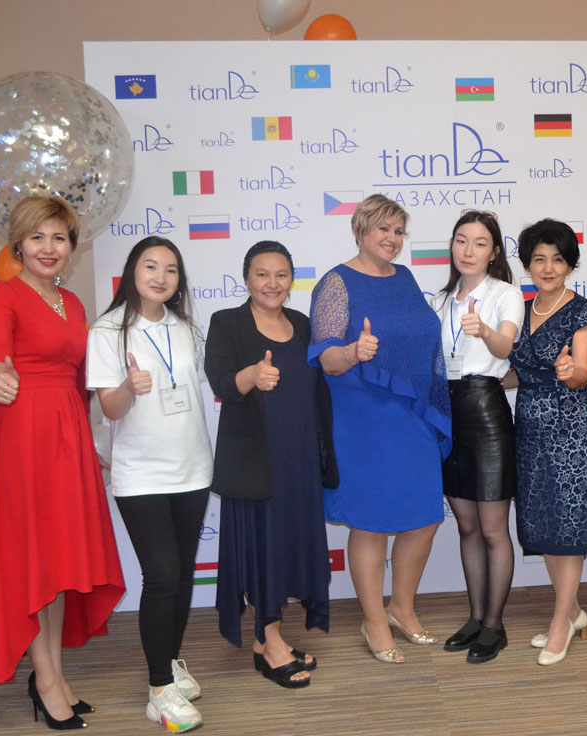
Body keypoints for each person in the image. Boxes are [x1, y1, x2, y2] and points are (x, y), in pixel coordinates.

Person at [0, 195, 125, 729]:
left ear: (71, 247)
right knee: (35, 561)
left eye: (59, 238)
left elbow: (82, 382)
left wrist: (90, 444)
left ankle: (54, 674)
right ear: (18, 243)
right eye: (37, 237)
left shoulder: (74, 305)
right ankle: (44, 680)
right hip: (23, 438)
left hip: (68, 437)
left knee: (59, 564)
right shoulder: (2, 294)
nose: (48, 247)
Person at [308, 194, 451, 664]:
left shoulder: (405, 277)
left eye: (398, 231)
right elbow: (328, 359)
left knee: (425, 516)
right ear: (360, 230)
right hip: (363, 419)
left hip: (412, 414)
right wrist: (354, 351)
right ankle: (373, 621)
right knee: (369, 524)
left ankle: (401, 608)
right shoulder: (336, 282)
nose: (392, 238)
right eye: (382, 229)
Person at [87, 237, 212, 730]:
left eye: (171, 270)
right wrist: (127, 388)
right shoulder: (108, 331)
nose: (161, 277)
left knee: (181, 573)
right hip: (140, 473)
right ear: (132, 272)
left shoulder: (186, 328)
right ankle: (159, 689)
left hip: (193, 467)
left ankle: (171, 661)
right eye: (151, 266)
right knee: (160, 574)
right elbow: (109, 408)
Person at [205, 241, 337, 689]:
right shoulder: (227, 322)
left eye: (281, 274)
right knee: (262, 548)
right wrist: (252, 376)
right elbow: (221, 380)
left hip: (299, 459)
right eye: (262, 274)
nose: (272, 283)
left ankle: (269, 639)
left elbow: (317, 390)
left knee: (286, 546)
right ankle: (270, 640)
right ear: (247, 278)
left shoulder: (301, 324)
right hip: (256, 462)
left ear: (291, 279)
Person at [507, 218, 587, 666]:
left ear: (571, 265)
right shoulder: (520, 309)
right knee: (542, 525)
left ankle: (560, 623)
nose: (548, 268)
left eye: (558, 259)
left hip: (569, 430)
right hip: (528, 430)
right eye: (539, 259)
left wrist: (570, 371)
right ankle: (574, 611)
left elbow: (582, 372)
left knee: (568, 528)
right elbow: (518, 372)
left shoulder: (583, 311)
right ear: (527, 264)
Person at [431, 210, 523, 663]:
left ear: (494, 252)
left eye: (480, 243)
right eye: (461, 240)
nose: (468, 251)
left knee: (491, 529)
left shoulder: (506, 294)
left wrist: (483, 330)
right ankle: (475, 617)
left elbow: (506, 347)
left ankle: (494, 625)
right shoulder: (440, 299)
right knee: (466, 526)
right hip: (446, 411)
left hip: (485, 410)